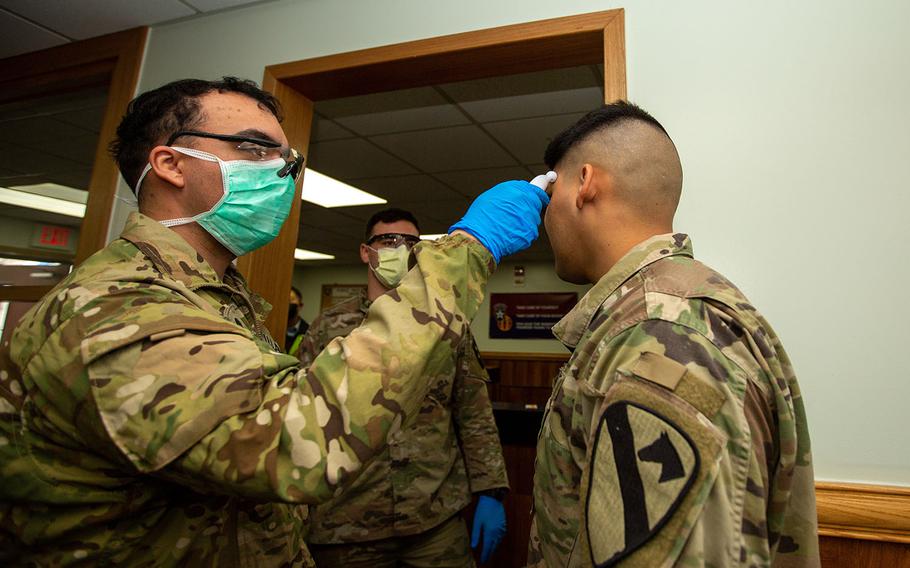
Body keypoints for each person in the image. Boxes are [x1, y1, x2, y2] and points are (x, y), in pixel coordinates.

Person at [0, 76, 549, 567]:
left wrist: (489, 488)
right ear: (171, 164)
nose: (281, 172)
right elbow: (297, 443)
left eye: (287, 159)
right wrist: (469, 249)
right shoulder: (117, 308)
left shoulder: (213, 299)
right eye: (255, 148)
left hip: (429, 515)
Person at [528, 102, 819, 567]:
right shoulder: (664, 310)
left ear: (585, 184)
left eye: (550, 190)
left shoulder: (659, 334)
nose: (545, 215)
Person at [300, 208, 509, 567]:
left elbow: (473, 411)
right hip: (346, 524)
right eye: (389, 240)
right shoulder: (328, 328)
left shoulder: (445, 326)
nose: (402, 248)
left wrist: (491, 490)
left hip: (434, 517)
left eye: (411, 242)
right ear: (367, 252)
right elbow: (304, 416)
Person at [286, 286, 309, 354]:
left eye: (291, 299)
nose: (288, 304)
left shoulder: (309, 332)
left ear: (300, 306)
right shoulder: (270, 330)